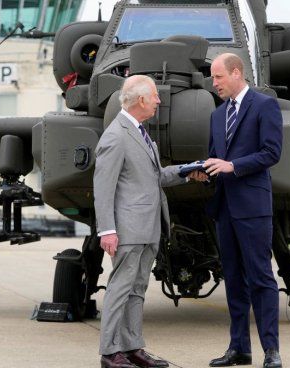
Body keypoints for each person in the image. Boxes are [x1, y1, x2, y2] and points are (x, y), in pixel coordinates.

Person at [93, 75, 205, 368]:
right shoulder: (116, 135)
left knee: (137, 289)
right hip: (128, 229)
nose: (159, 101)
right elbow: (103, 187)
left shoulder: (140, 134)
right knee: (120, 288)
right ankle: (109, 352)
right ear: (141, 100)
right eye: (155, 96)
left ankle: (131, 347)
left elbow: (154, 179)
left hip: (147, 227)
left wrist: (186, 171)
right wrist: (107, 229)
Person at [203, 53, 284, 368]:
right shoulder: (217, 114)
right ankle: (239, 348)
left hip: (252, 207)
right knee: (234, 279)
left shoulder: (265, 106)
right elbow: (216, 157)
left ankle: (271, 350)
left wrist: (233, 165)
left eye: (218, 76)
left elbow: (271, 153)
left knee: (261, 277)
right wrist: (204, 168)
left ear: (237, 73)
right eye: (213, 77)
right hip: (225, 208)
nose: (215, 83)